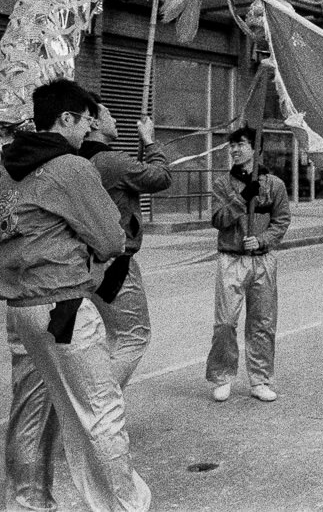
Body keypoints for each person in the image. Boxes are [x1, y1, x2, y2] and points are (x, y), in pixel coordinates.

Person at [0, 79, 150, 511]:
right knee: (101, 414)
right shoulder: (70, 168)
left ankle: (27, 502)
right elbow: (110, 238)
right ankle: (125, 506)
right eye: (86, 121)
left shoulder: (7, 169)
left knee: (34, 410)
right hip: (62, 305)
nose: (89, 131)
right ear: (65, 118)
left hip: (21, 310)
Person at [79, 99, 172, 386]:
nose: (115, 120)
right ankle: (101, 409)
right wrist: (150, 141)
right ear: (92, 121)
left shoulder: (75, 159)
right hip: (115, 262)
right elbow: (160, 177)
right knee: (133, 337)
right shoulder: (109, 161)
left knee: (108, 338)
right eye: (108, 113)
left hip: (85, 260)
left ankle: (92, 410)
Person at [206, 127, 291, 403]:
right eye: (231, 145)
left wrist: (264, 240)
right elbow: (218, 219)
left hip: (262, 261)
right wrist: (242, 199)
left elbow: (281, 220)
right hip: (231, 258)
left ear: (255, 148)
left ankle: (260, 378)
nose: (234, 150)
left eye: (241, 144)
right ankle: (221, 376)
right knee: (225, 322)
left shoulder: (274, 185)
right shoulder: (222, 185)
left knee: (263, 323)